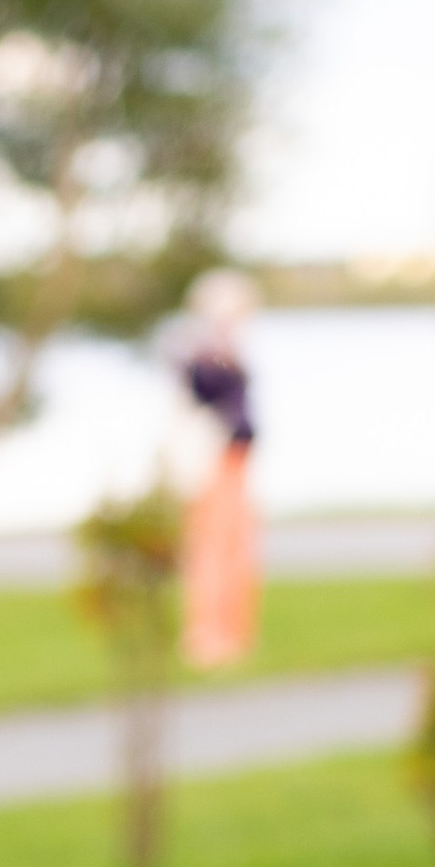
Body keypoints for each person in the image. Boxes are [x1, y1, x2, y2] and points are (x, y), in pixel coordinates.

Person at [169, 268, 263, 670]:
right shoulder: (203, 355)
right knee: (211, 547)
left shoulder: (226, 350)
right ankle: (207, 635)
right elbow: (199, 399)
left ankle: (233, 633)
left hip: (235, 459)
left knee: (237, 547)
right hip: (212, 460)